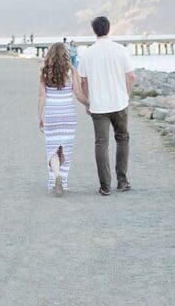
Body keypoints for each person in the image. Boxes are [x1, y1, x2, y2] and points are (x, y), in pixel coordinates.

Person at [78, 16, 135, 196]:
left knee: (101, 144)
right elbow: (132, 76)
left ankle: (105, 186)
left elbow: (83, 82)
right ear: (109, 29)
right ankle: (122, 181)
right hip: (119, 103)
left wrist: (88, 101)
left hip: (98, 106)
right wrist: (126, 95)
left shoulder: (87, 53)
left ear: (94, 31)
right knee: (122, 139)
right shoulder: (120, 50)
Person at [37, 42, 89, 196]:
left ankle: (56, 175)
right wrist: (89, 104)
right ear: (66, 55)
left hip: (52, 113)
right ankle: (62, 181)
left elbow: (41, 96)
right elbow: (78, 94)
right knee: (65, 148)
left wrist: (39, 117)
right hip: (68, 114)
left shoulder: (44, 72)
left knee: (52, 148)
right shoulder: (71, 71)